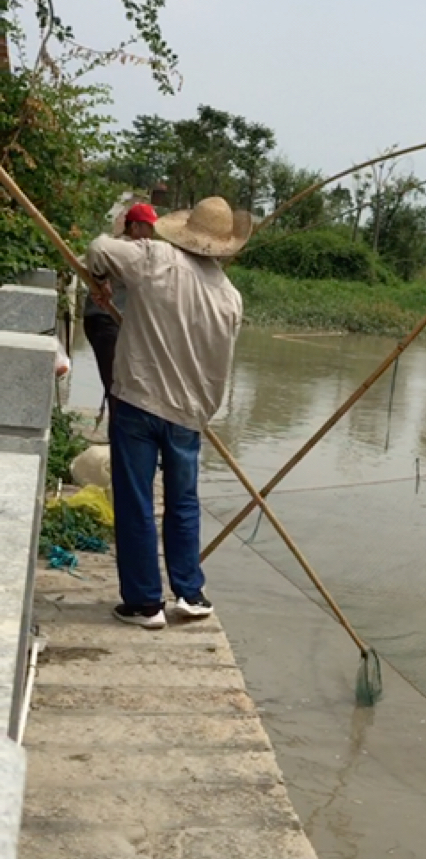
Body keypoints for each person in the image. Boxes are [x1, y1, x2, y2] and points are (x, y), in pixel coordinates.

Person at [86, 197, 248, 630]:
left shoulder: (155, 258)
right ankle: (189, 592)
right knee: (183, 502)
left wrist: (101, 274)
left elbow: (98, 248)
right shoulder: (230, 298)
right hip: (189, 415)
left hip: (139, 401)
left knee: (136, 500)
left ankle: (143, 603)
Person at [83, 202, 158, 420]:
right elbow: (94, 251)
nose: (151, 235)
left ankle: (119, 439)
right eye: (148, 228)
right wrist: (100, 280)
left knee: (122, 386)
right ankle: (117, 443)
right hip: (104, 321)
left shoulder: (139, 253)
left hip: (118, 324)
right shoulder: (121, 248)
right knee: (117, 387)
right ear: (134, 228)